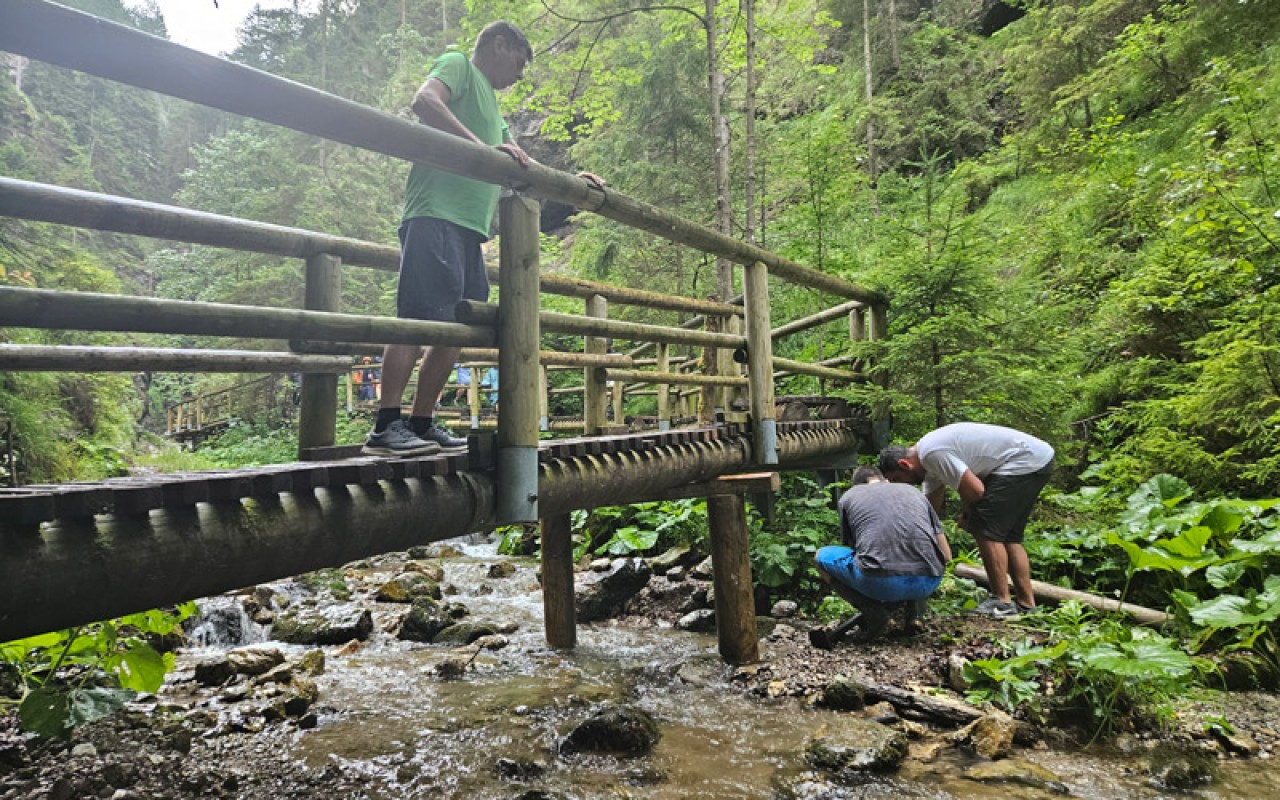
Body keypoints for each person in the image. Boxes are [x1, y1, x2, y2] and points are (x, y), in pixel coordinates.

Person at [363, 21, 602, 457]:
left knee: (457, 329)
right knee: (418, 318)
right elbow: (424, 101)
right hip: (434, 213)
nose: (519, 76)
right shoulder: (458, 65)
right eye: (518, 63)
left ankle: (421, 421)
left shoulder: (492, 108)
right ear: (499, 44)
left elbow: (520, 169)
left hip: (468, 230)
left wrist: (573, 184)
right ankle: (385, 426)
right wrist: (480, 148)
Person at [879, 422, 1054, 618]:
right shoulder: (929, 464)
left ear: (905, 464)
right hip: (1037, 459)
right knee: (1009, 537)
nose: (903, 484)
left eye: (897, 479)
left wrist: (968, 516)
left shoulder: (932, 453)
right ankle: (1026, 604)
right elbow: (929, 510)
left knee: (985, 530)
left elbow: (976, 490)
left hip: (1023, 461)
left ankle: (1001, 601)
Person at [810, 466, 951, 648]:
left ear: (857, 484)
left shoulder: (850, 496)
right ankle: (914, 617)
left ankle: (874, 613)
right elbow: (946, 555)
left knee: (820, 557)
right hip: (929, 581)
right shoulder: (913, 492)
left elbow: (859, 551)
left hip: (878, 583)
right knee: (919, 556)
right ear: (885, 479)